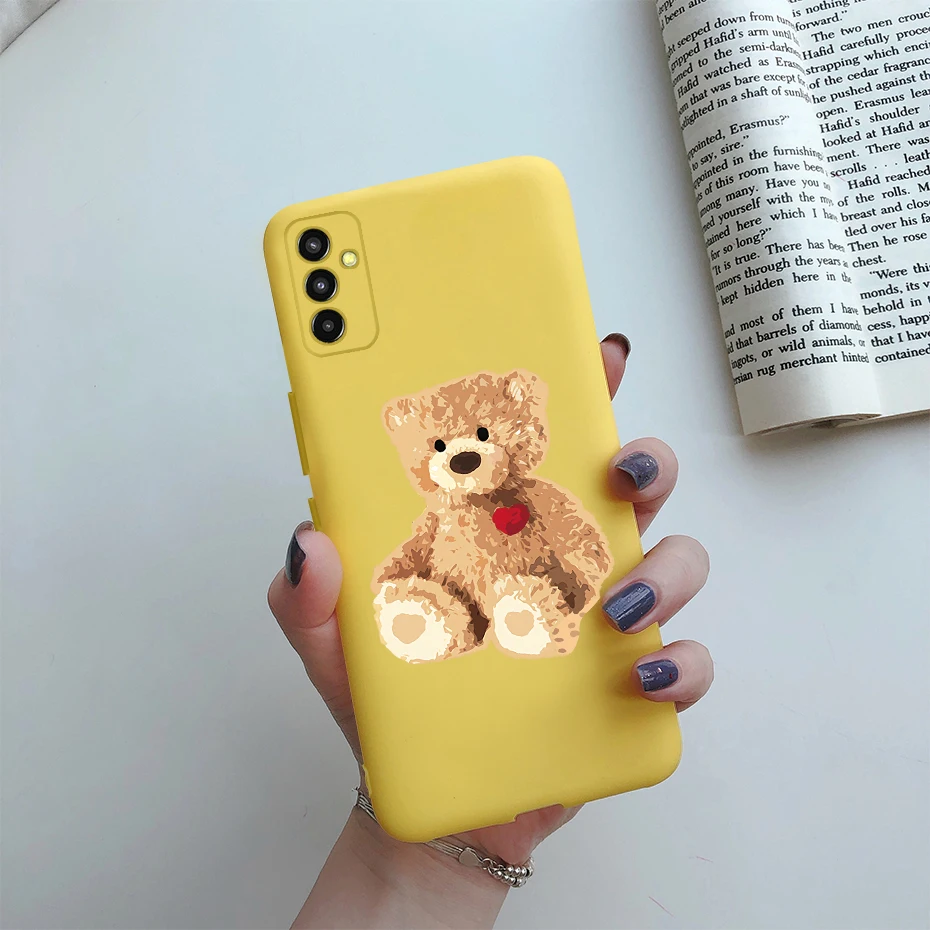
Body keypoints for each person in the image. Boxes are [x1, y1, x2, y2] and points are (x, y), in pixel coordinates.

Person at [267, 334, 713, 929]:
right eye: (439, 444)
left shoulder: (542, 498)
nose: (461, 454)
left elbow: (580, 541)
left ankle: (531, 613)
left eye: (481, 434)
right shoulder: (437, 520)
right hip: (461, 602)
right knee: (431, 597)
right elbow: (410, 559)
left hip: (540, 588)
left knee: (543, 592)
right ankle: (435, 619)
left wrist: (591, 567)